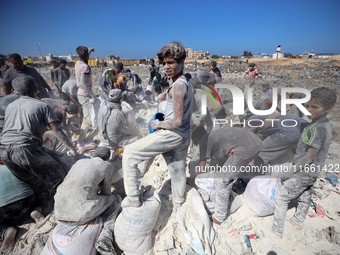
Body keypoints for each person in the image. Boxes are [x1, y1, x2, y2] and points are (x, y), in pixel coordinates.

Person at [122, 41, 194, 208]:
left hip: (172, 134)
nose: (166, 67)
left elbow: (176, 121)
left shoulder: (177, 86)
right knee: (178, 171)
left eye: (171, 63)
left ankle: (133, 198)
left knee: (129, 153)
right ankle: (178, 202)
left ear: (182, 63)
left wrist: (157, 123)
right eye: (164, 63)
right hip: (184, 135)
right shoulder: (186, 83)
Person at [0, 77, 78, 209]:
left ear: (16, 92)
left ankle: (40, 207)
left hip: (4, 151)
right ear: (35, 90)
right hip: (25, 148)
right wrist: (71, 148)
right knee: (57, 175)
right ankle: (62, 206)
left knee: (33, 180)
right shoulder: (42, 105)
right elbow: (57, 130)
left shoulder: (10, 106)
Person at [272, 87, 337, 237]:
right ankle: (298, 220)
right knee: (305, 196)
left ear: (328, 109)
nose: (309, 109)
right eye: (307, 105)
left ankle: (277, 232)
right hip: (313, 172)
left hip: (304, 171)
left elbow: (309, 156)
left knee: (282, 197)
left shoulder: (318, 129)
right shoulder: (322, 125)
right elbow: (331, 136)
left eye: (315, 107)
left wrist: (292, 170)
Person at [53, 147, 121, 254]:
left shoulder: (80, 162)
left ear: (93, 155)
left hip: (58, 211)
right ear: (107, 158)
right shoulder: (106, 165)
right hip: (79, 216)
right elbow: (106, 192)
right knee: (114, 200)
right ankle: (105, 237)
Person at [193, 126, 263, 225]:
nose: (199, 145)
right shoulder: (215, 138)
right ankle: (248, 182)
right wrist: (219, 172)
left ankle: (219, 218)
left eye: (197, 144)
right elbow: (222, 160)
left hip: (246, 147)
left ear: (197, 139)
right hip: (255, 142)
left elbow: (202, 166)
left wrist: (197, 181)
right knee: (227, 173)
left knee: (222, 181)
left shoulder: (205, 141)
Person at [0, 163, 45, 254]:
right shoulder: (8, 165)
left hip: (6, 209)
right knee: (37, 198)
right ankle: (35, 210)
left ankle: (5, 231)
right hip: (27, 200)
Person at [75, 46, 99, 143]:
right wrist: (93, 95)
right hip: (84, 95)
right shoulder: (85, 67)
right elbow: (83, 84)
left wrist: (89, 52)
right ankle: (81, 140)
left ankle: (82, 138)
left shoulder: (78, 63)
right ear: (87, 56)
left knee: (87, 116)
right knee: (88, 119)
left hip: (80, 94)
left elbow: (84, 58)